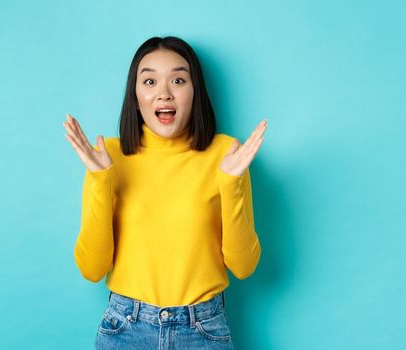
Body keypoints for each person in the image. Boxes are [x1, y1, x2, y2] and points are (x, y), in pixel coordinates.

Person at [63, 36, 267, 349]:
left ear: (194, 91)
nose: (164, 93)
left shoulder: (226, 154)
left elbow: (244, 266)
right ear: (135, 95)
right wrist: (102, 180)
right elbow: (92, 270)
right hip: (126, 328)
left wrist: (230, 183)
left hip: (203, 330)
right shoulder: (108, 156)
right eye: (149, 81)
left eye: (178, 80)